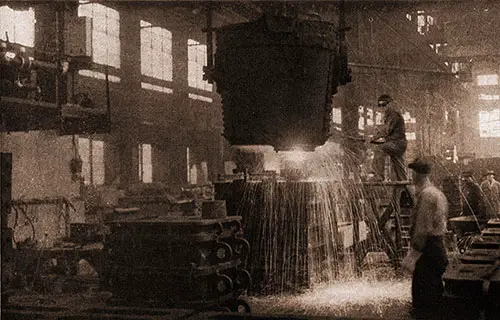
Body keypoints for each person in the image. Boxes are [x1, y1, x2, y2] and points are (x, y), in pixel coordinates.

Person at [402, 157, 448, 318]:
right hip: (437, 249)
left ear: (417, 174)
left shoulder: (426, 196)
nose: (411, 176)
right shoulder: (437, 192)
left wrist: (412, 256)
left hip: (428, 253)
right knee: (434, 295)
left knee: (423, 302)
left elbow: (423, 229)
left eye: (412, 172)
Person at [371, 94, 408, 181]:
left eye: (384, 104)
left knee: (379, 149)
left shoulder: (393, 114)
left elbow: (386, 131)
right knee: (399, 166)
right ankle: (404, 183)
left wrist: (374, 138)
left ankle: (378, 176)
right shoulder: (388, 115)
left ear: (390, 103)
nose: (381, 107)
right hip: (398, 143)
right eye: (379, 105)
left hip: (397, 143)